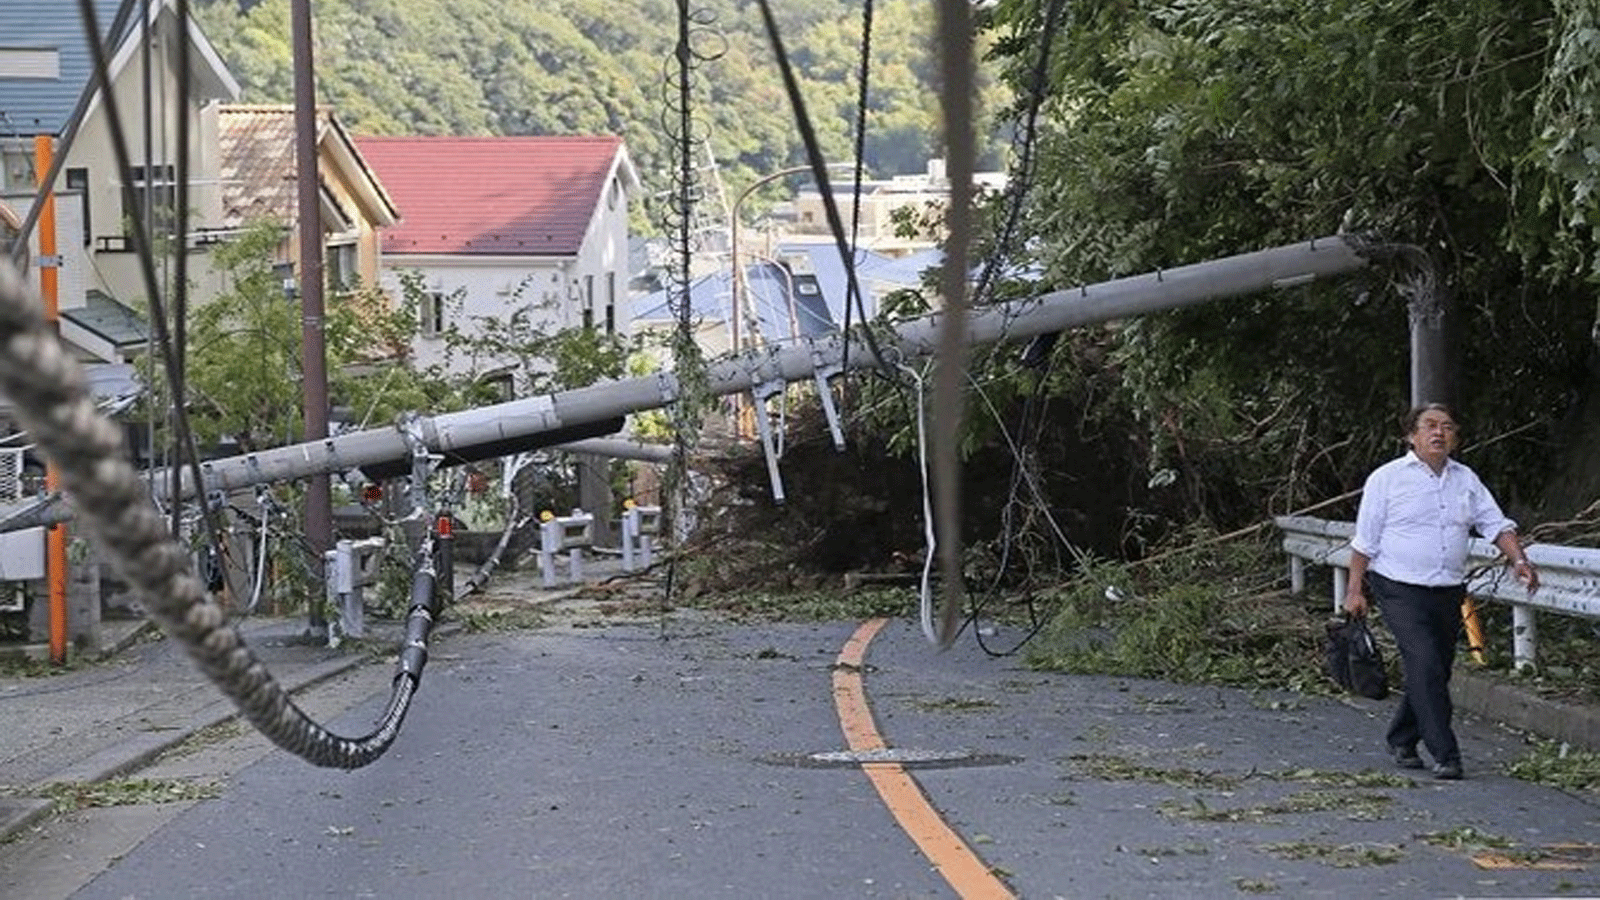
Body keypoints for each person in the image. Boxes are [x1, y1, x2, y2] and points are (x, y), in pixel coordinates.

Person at [1342, 403, 1538, 780]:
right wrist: (1354, 590)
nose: (1439, 433)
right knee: (1426, 663)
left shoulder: (1465, 480)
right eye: (1430, 426)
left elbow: (1494, 524)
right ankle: (1446, 753)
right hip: (1398, 586)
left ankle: (1401, 737)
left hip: (1448, 589)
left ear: (1455, 437)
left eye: (1447, 427)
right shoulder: (1387, 479)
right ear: (1411, 436)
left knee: (1435, 669)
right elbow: (1364, 541)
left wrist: (1519, 561)